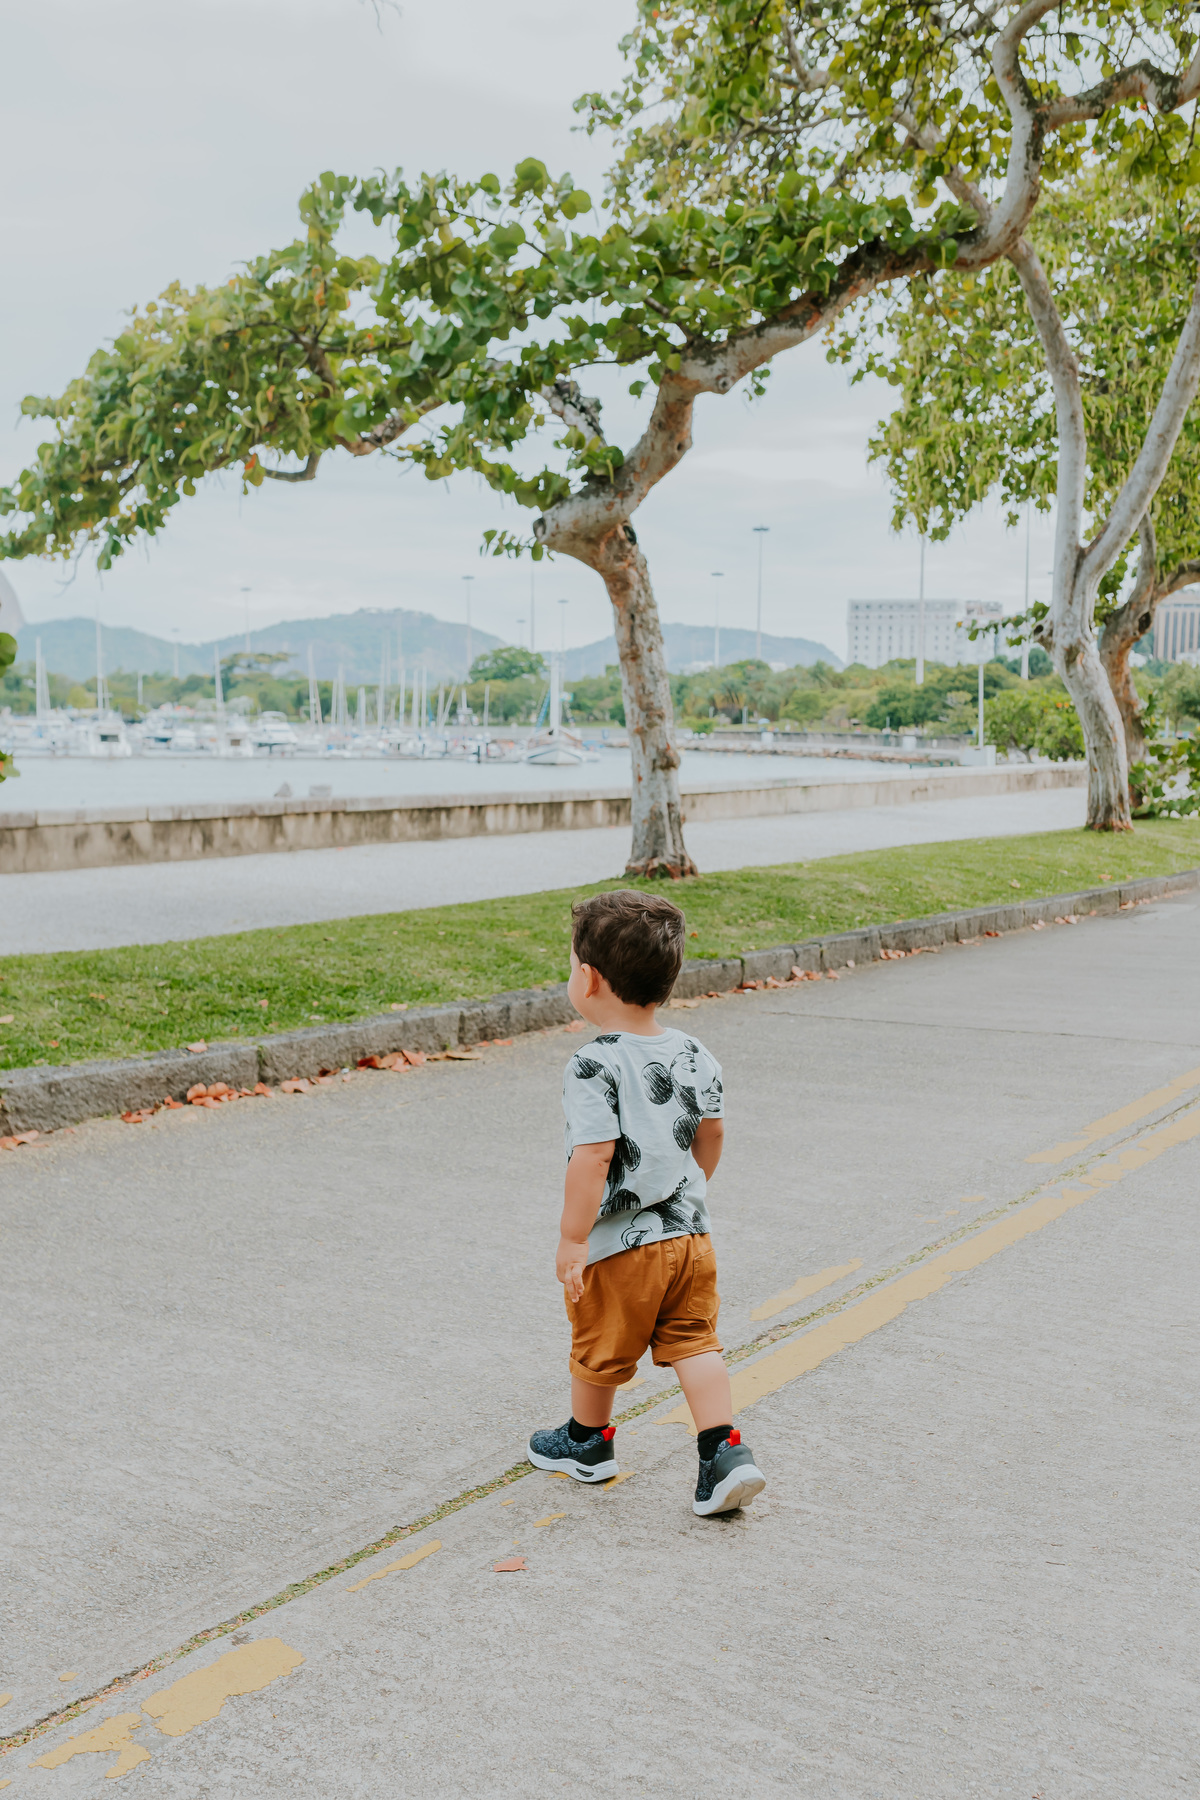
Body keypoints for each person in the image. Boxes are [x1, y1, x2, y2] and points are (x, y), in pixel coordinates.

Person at [528, 888, 766, 1517]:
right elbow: (711, 1135)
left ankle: (587, 1442)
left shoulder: (592, 1064)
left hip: (621, 1244)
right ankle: (724, 1451)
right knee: (696, 1341)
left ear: (588, 977)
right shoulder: (693, 1052)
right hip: (691, 1239)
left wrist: (574, 1238)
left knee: (598, 1343)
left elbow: (594, 1157)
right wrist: (691, 1189)